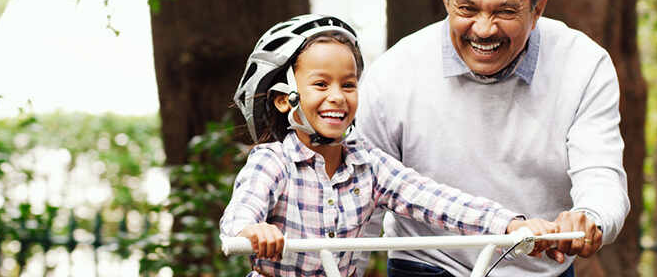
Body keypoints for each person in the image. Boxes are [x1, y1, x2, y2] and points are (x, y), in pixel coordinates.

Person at [355, 0, 631, 277]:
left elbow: (601, 174)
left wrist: (591, 217)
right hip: (426, 265)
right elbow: (362, 195)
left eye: (505, 11)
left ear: (538, 9)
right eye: (467, 8)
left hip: (538, 270)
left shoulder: (582, 64)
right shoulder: (395, 71)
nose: (484, 29)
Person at [220, 14, 558, 277]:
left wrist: (511, 224)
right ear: (284, 99)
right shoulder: (273, 162)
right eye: (320, 84)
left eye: (348, 84)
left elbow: (435, 199)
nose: (337, 97)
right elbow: (240, 213)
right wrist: (252, 229)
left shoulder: (368, 165)